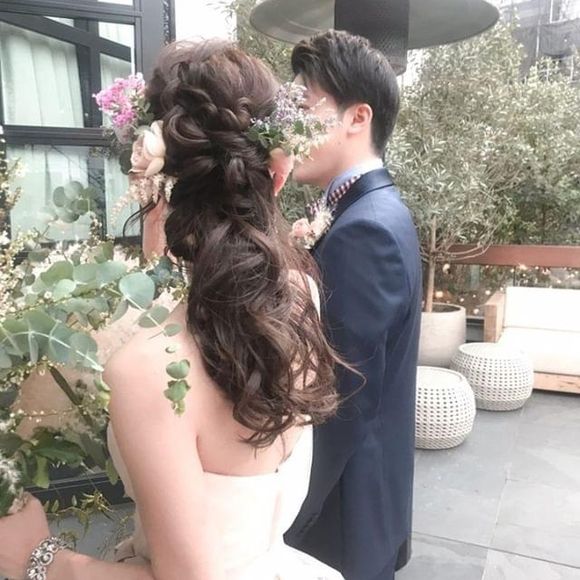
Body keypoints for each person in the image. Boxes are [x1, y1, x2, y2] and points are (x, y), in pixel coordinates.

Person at [0, 40, 345, 580]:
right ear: (277, 175)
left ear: (150, 180)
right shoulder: (302, 295)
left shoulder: (149, 367)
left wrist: (39, 558)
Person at [284, 30, 422, 580]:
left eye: (303, 107)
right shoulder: (367, 212)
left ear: (357, 117)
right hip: (363, 498)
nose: (289, 127)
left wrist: (290, 510)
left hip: (344, 509)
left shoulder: (366, 229)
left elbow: (344, 397)